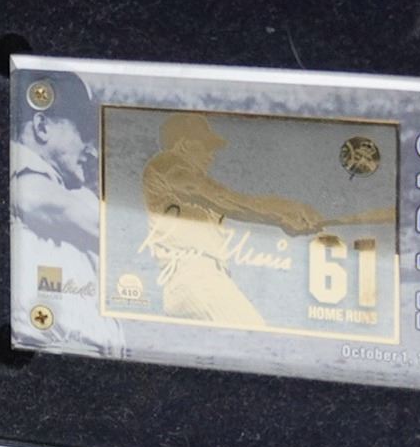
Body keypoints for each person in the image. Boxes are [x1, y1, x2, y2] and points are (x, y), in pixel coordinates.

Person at [136, 112, 322, 327]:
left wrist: (286, 219)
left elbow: (236, 206)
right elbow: (227, 200)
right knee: (255, 335)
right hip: (196, 278)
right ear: (184, 144)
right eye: (206, 146)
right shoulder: (166, 163)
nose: (211, 155)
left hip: (194, 281)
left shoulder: (192, 189)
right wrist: (287, 210)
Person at [10, 72, 114, 351]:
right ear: (42, 126)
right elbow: (37, 199)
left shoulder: (67, 191)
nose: (92, 150)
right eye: (84, 133)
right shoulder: (21, 170)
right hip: (46, 354)